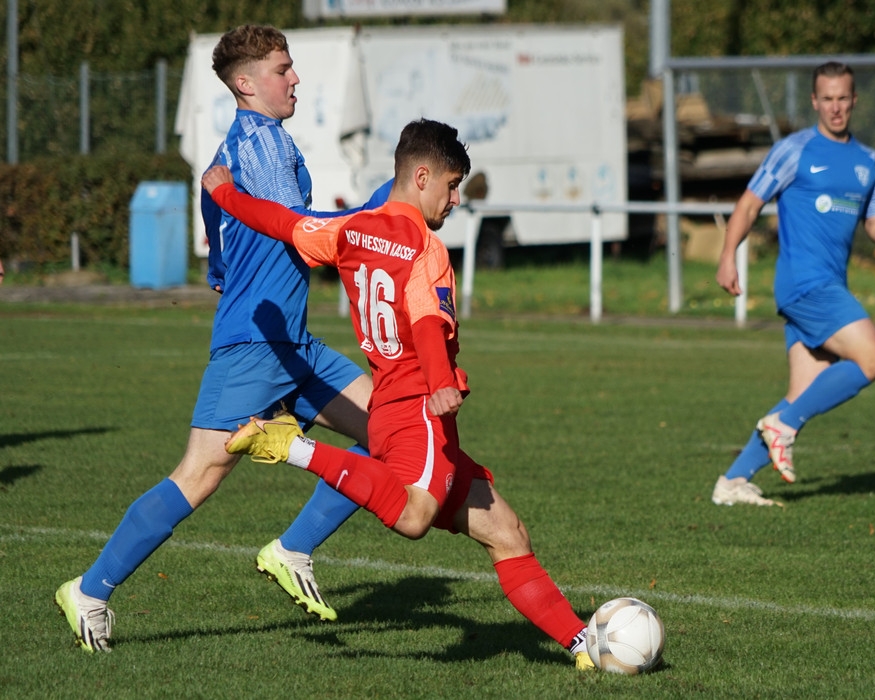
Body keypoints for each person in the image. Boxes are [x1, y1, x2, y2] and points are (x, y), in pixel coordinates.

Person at [201, 118, 596, 670]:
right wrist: (440, 383)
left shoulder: (349, 229)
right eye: (451, 186)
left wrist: (225, 195)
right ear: (422, 175)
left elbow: (283, 223)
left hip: (389, 409)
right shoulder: (426, 248)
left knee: (507, 532)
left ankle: (584, 645)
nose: (455, 199)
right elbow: (428, 321)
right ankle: (289, 445)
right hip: (418, 412)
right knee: (413, 517)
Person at [56, 24, 390, 653]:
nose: (295, 78)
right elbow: (301, 232)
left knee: (391, 432)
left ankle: (292, 549)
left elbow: (217, 220)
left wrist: (222, 268)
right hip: (254, 350)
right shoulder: (259, 143)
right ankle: (90, 591)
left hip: (292, 344)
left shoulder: (243, 147)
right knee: (197, 477)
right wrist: (383, 204)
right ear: (246, 83)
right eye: (282, 70)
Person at [711, 61, 875, 507]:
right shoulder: (794, 150)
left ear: (854, 100)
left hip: (828, 285)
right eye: (827, 99)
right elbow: (749, 205)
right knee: (873, 357)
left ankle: (732, 481)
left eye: (842, 98)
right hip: (805, 285)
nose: (835, 107)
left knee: (800, 395)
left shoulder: (869, 161)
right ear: (814, 101)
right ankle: (783, 427)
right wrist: (728, 255)